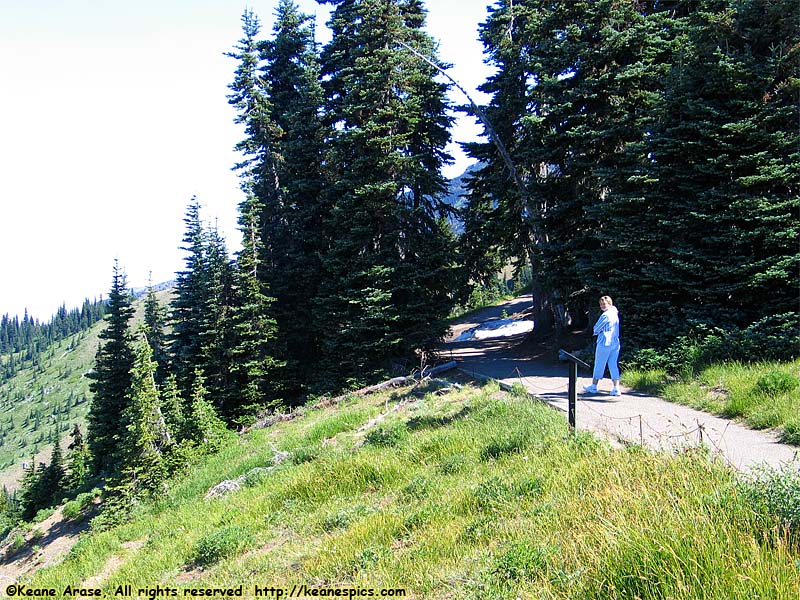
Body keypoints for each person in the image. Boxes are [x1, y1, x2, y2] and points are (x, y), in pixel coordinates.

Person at [583, 295, 621, 396]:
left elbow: (596, 328)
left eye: (604, 304)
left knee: (599, 363)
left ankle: (594, 386)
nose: (602, 306)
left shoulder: (605, 315)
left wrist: (596, 331)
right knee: (613, 364)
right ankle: (616, 388)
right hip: (615, 343)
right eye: (601, 304)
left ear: (609, 303)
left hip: (604, 342)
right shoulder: (615, 313)